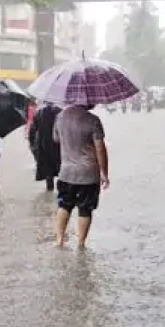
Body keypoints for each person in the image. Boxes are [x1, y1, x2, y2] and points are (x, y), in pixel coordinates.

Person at [53, 104, 109, 249]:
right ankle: (81, 244)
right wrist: (104, 173)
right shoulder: (93, 120)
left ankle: (59, 240)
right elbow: (100, 148)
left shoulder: (60, 117)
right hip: (88, 174)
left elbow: (56, 139)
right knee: (85, 209)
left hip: (66, 172)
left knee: (64, 205)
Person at [28, 102, 61, 191]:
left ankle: (50, 190)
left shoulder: (38, 113)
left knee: (48, 171)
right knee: (61, 169)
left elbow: (32, 130)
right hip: (58, 144)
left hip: (44, 145)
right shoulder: (60, 112)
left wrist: (32, 144)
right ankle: (62, 193)